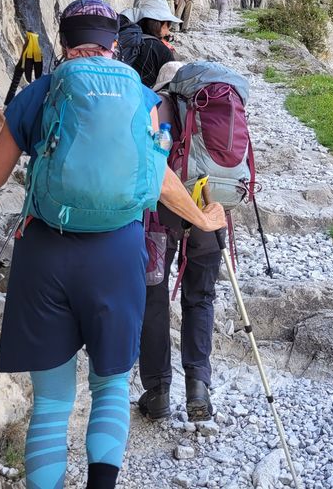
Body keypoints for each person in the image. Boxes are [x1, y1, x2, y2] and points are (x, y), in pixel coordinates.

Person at [0, 0, 225, 489]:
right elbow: (159, 180)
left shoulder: (41, 93)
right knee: (109, 388)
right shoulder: (143, 99)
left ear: (63, 42)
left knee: (51, 403)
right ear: (114, 44)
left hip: (45, 256)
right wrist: (203, 218)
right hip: (117, 256)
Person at [125, 58, 223, 423]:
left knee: (154, 298)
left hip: (160, 215)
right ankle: (198, 388)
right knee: (201, 297)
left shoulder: (156, 108)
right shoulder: (211, 112)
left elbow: (146, 165)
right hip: (208, 209)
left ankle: (158, 392)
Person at [117, 0, 180, 88]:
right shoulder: (162, 51)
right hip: (141, 96)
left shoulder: (119, 37)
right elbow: (172, 87)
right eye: (168, 24)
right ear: (159, 23)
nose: (168, 31)